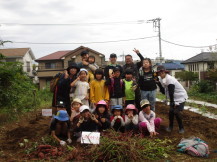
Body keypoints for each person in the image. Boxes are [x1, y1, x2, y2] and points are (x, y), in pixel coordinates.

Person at [157, 65, 188, 134]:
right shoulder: (161, 79)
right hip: (173, 97)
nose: (161, 74)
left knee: (176, 112)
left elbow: (171, 92)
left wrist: (172, 102)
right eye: (159, 73)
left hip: (180, 96)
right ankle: (170, 127)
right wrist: (158, 84)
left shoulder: (170, 79)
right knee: (171, 111)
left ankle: (181, 128)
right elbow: (163, 91)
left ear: (165, 72)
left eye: (162, 72)